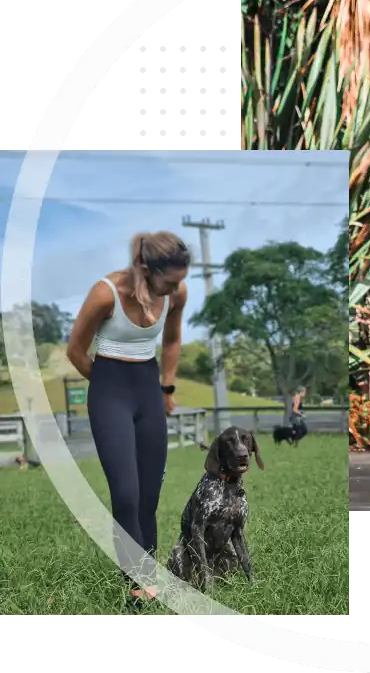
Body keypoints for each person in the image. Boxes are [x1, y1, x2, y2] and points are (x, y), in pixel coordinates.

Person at [66, 231, 190, 606]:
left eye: (180, 280)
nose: (176, 288)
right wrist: (107, 390)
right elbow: (75, 350)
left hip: (148, 391)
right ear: (144, 267)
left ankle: (146, 575)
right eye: (169, 281)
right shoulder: (106, 293)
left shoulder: (176, 293)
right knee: (125, 494)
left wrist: (165, 389)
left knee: (149, 497)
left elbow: (170, 340)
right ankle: (141, 582)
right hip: (109, 389)